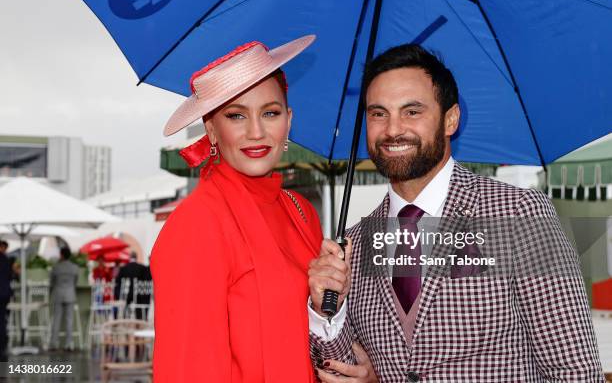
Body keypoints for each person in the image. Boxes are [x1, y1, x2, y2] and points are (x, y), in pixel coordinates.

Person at [308, 44, 604, 382]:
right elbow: (342, 370)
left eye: (412, 111)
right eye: (378, 113)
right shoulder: (356, 243)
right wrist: (326, 310)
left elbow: (574, 370)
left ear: (451, 119)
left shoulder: (518, 213)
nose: (392, 129)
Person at [151, 35, 322, 382]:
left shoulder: (302, 212)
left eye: (270, 113)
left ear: (288, 120)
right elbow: (187, 368)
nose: (256, 132)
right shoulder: (196, 224)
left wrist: (329, 306)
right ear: (211, 129)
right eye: (236, 116)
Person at [49, 247, 79, 351]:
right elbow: (76, 281)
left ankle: (53, 343)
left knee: (56, 319)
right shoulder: (75, 267)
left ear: (61, 254)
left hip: (58, 294)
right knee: (69, 320)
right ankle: (68, 344)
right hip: (70, 294)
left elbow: (52, 281)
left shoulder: (56, 267)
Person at [0, 240, 11, 361]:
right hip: (4, 294)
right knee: (2, 320)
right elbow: (10, 275)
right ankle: (2, 345)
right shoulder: (6, 260)